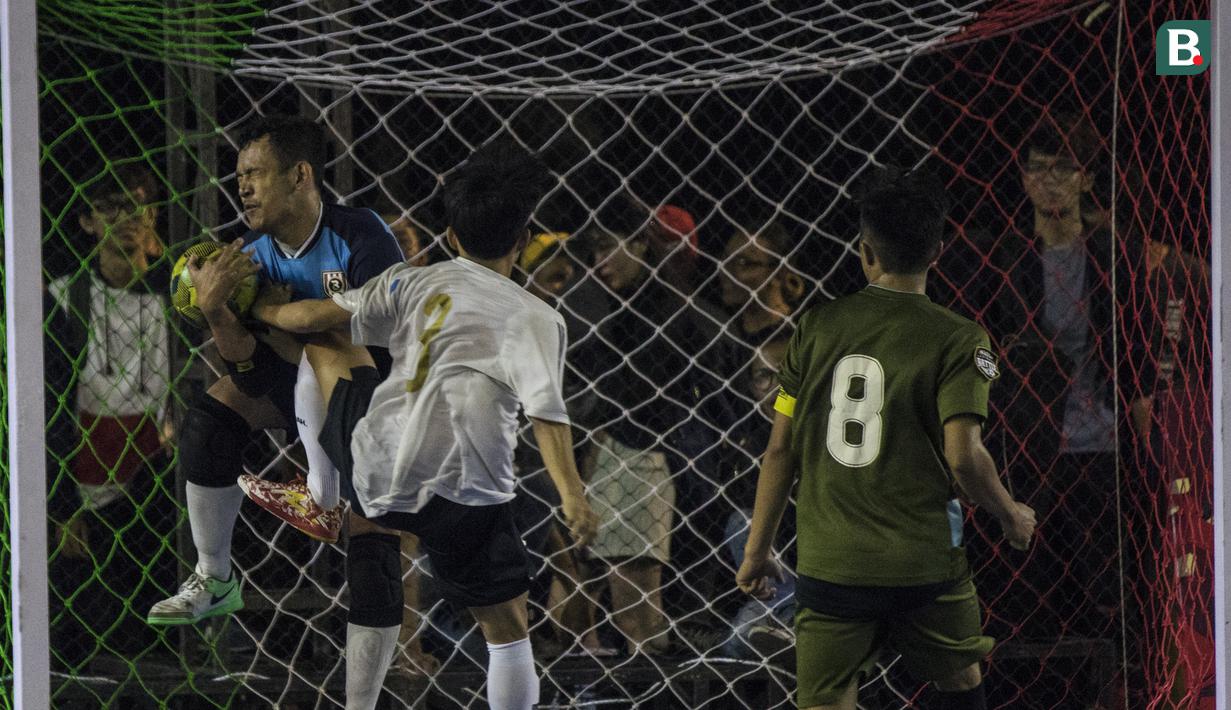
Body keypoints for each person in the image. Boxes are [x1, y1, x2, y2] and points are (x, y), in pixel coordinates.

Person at [242, 140, 598, 710]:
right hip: (467, 493)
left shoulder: (412, 281)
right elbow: (547, 417)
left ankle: (320, 493)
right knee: (508, 631)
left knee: (329, 344)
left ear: (451, 238)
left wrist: (253, 306)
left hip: (380, 477)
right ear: (524, 241)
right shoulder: (537, 317)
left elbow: (307, 316)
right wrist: (573, 498)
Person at [736, 168, 1036, 710]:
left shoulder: (813, 329)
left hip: (832, 565)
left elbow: (780, 449)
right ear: (937, 251)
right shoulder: (961, 337)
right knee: (961, 680)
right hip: (922, 564)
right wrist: (1010, 513)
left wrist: (756, 553)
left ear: (865, 253)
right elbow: (964, 456)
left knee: (828, 698)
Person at [146, 115, 404, 625]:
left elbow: (383, 336)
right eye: (238, 176)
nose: (242, 187)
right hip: (295, 389)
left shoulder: (361, 234)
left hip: (372, 405)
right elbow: (251, 377)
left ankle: (374, 693)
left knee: (374, 568)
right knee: (209, 418)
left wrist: (280, 318)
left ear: (299, 175)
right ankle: (214, 576)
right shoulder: (249, 260)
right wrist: (219, 311)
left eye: (255, 173)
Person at [46, 161, 178, 665]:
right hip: (87, 487)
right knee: (90, 635)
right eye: (109, 206)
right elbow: (51, 408)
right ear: (87, 221)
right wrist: (62, 505)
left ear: (155, 214)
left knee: (159, 638)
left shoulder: (177, 298)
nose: (127, 216)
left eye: (137, 204)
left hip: (157, 482)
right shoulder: (65, 297)